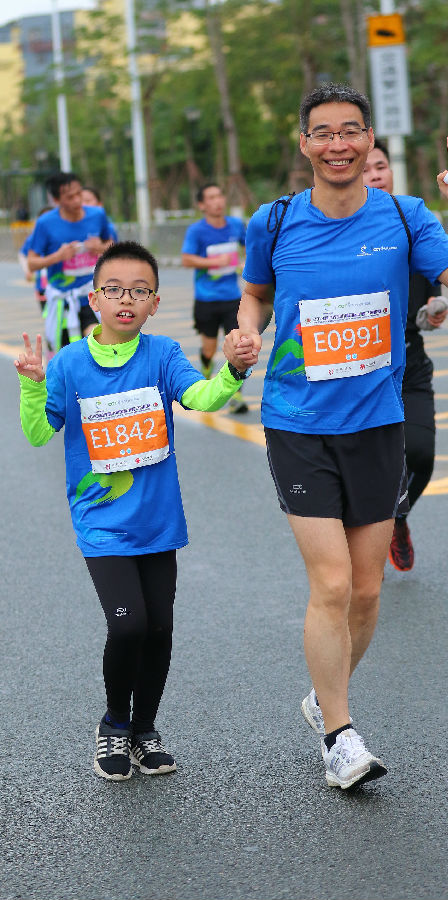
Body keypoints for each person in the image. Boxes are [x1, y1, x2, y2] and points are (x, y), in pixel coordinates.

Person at [230, 83, 448, 790]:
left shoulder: (406, 217)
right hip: (297, 422)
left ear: (370, 140)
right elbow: (254, 292)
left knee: (368, 591)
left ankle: (326, 695)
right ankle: (340, 737)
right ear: (304, 144)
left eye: (350, 131)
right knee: (332, 581)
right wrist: (247, 332)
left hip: (378, 423)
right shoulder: (273, 221)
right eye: (323, 133)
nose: (338, 144)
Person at [15, 240, 256, 782]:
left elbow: (202, 398)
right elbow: (38, 433)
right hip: (101, 522)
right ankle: (114, 724)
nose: (126, 299)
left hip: (158, 521)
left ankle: (145, 730)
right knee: (129, 627)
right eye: (114, 289)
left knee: (160, 630)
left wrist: (234, 370)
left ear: (154, 303)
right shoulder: (70, 363)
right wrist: (32, 386)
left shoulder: (163, 354)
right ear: (94, 299)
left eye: (139, 291)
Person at [363, 140, 448, 572]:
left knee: (421, 453)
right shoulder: (340, 232)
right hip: (361, 367)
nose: (375, 173)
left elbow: (436, 285)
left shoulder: (413, 220)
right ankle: (368, 533)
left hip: (410, 361)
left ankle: (397, 517)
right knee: (367, 465)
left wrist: (434, 308)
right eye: (366, 168)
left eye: (380, 165)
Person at [27, 172, 114, 355]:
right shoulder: (45, 223)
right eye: (70, 197)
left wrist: (99, 247)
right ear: (57, 200)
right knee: (68, 354)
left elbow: (112, 246)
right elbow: (32, 263)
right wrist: (58, 256)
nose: (77, 200)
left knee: (99, 343)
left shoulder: (97, 215)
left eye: (79, 193)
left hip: (92, 294)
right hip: (63, 300)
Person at [181, 183, 248, 414]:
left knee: (238, 346)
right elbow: (187, 259)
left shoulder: (235, 225)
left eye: (219, 196)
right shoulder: (196, 231)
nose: (217, 201)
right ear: (202, 205)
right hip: (206, 299)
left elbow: (251, 246)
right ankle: (207, 372)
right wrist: (214, 262)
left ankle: (236, 395)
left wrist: (245, 264)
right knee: (209, 349)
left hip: (233, 298)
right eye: (211, 197)